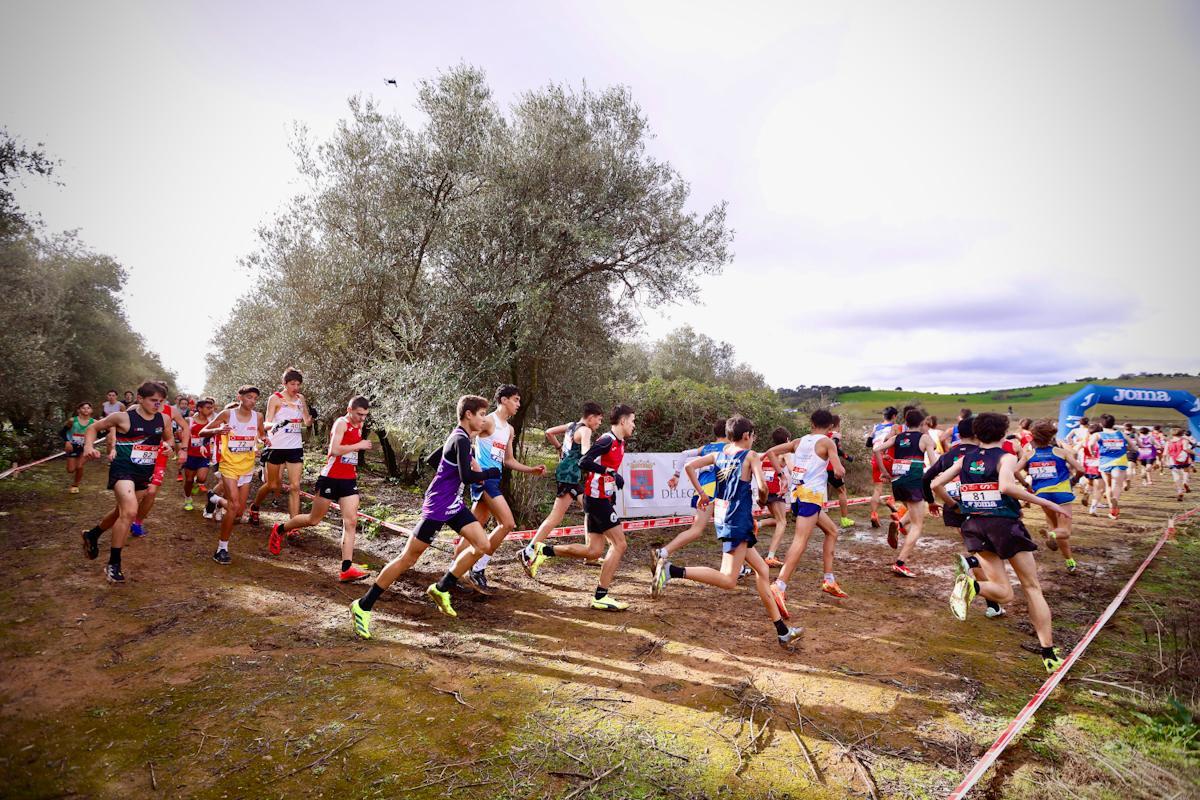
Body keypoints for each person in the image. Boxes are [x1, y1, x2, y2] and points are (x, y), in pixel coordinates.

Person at [349, 395, 502, 638]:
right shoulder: (460, 439)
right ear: (468, 414)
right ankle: (363, 605)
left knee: (482, 545)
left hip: (453, 505)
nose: (485, 419)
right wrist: (489, 472)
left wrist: (455, 469)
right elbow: (466, 477)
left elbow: (434, 459)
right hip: (438, 507)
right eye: (482, 414)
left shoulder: (462, 438)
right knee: (408, 559)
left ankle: (442, 587)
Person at [933, 412, 1070, 673]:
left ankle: (972, 585)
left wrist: (956, 506)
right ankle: (1049, 654)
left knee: (1004, 593)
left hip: (974, 526)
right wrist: (1045, 501)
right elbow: (1006, 487)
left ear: (977, 433)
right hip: (1004, 526)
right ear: (1003, 433)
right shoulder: (1005, 457)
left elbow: (937, 483)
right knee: (1032, 587)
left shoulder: (965, 459)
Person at [651, 415, 804, 646]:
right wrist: (763, 500)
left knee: (762, 570)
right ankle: (671, 570)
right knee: (728, 579)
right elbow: (763, 487)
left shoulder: (719, 454)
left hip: (725, 517)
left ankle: (782, 631)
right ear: (747, 435)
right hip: (737, 520)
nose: (753, 440)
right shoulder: (750, 455)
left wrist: (702, 494)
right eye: (753, 436)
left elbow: (689, 466)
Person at [531, 404, 637, 611]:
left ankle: (544, 550)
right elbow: (584, 461)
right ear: (623, 421)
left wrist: (611, 484)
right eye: (632, 421)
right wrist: (610, 472)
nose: (634, 425)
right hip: (596, 499)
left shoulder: (620, 442)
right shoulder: (606, 440)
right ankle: (601, 596)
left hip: (600, 497)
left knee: (593, 551)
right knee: (620, 544)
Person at [452, 385, 546, 591]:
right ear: (503, 400)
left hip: (494, 480)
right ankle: (478, 567)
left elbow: (508, 460)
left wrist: (531, 470)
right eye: (516, 399)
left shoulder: (509, 430)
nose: (519, 404)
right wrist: (473, 465)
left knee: (474, 527)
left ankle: (453, 573)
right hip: (484, 480)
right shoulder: (488, 421)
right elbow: (463, 438)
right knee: (508, 523)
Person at [270, 396, 373, 582]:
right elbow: (334, 450)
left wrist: (356, 448)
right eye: (359, 414)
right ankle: (280, 529)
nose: (362, 419)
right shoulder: (341, 423)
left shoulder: (358, 424)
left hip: (349, 479)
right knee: (313, 520)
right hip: (330, 478)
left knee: (351, 522)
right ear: (349, 410)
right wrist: (359, 445)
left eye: (365, 415)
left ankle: (346, 568)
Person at [79, 381, 174, 583]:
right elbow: (94, 427)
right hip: (122, 469)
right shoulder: (123, 417)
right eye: (153, 400)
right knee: (130, 512)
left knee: (120, 512)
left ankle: (93, 534)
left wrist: (169, 447)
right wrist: (88, 446)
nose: (157, 405)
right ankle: (114, 564)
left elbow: (170, 440)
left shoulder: (164, 419)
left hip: (144, 472)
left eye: (161, 401)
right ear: (140, 398)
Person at [760, 409, 849, 613]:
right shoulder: (827, 442)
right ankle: (779, 585)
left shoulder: (799, 441)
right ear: (830, 426)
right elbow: (838, 470)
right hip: (812, 496)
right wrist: (839, 470)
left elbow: (770, 452)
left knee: (832, 531)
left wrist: (782, 475)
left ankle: (829, 580)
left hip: (798, 495)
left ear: (811, 423)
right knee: (800, 540)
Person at [922, 416, 1005, 618]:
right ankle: (979, 579)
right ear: (977, 433)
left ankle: (992, 603)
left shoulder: (949, 455)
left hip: (956, 508)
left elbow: (926, 478)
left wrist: (931, 501)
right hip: (985, 509)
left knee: (981, 552)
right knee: (986, 554)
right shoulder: (983, 455)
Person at [520, 402, 604, 578]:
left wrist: (560, 448)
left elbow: (548, 432)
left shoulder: (571, 425)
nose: (599, 423)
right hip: (569, 476)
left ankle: (590, 554)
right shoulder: (586, 430)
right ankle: (528, 551)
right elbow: (586, 454)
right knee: (555, 517)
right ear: (591, 417)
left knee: (590, 509)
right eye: (599, 419)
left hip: (568, 474)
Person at [648, 420, 730, 572]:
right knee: (699, 530)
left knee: (726, 529)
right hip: (713, 492)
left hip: (703, 490)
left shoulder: (706, 447)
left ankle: (737, 567)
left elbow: (684, 453)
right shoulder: (727, 448)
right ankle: (662, 552)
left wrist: (676, 475)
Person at [198, 386, 265, 564]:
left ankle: (214, 498)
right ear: (240, 397)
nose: (252, 401)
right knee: (234, 506)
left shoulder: (258, 416)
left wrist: (262, 440)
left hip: (247, 466)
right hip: (228, 465)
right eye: (249, 397)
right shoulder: (228, 414)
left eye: (255, 398)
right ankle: (222, 549)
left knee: (239, 512)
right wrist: (217, 431)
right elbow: (202, 432)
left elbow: (260, 434)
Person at [873, 408, 940, 577]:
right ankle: (900, 563)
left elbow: (876, 449)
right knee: (918, 524)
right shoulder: (924, 438)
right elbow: (934, 463)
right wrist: (939, 478)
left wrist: (884, 471)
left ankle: (899, 524)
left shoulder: (898, 437)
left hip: (897, 481)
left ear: (906, 422)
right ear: (922, 423)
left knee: (918, 507)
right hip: (913, 480)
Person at [123, 382, 190, 537]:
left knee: (151, 491)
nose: (158, 400)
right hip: (135, 453)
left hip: (159, 453)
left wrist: (183, 449)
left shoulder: (171, 410)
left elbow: (185, 428)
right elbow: (119, 426)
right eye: (155, 396)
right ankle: (125, 516)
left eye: (162, 396)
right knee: (133, 491)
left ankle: (137, 522)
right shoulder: (135, 409)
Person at [1017, 419, 1083, 572]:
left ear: (1033, 437)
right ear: (1051, 436)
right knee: (1064, 531)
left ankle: (1069, 560)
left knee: (1055, 528)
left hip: (1043, 496)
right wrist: (1074, 480)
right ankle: (1053, 539)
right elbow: (1081, 469)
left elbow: (1015, 470)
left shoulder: (1029, 454)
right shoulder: (1061, 452)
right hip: (1062, 494)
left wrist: (1026, 485)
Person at [250, 368, 312, 524]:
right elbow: (266, 423)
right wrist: (277, 424)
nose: (296, 387)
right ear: (284, 383)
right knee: (272, 485)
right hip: (276, 447)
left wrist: (312, 416)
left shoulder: (300, 399)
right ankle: (255, 507)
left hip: (295, 448)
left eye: (298, 384)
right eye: (292, 384)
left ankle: (293, 526)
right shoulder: (275, 399)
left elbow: (307, 421)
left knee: (295, 487)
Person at [762, 427, 793, 567]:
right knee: (782, 522)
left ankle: (758, 524)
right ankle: (770, 556)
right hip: (776, 489)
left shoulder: (769, 452)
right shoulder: (784, 452)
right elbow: (792, 469)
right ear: (787, 440)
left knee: (779, 519)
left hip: (765, 489)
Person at [1091, 414, 1129, 519]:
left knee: (1108, 486)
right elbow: (1132, 445)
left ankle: (1112, 508)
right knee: (1117, 484)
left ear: (1101, 424)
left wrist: (1093, 453)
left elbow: (1090, 444)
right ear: (1113, 423)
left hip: (1105, 462)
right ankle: (1114, 502)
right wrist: (1129, 449)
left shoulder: (1097, 434)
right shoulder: (1121, 433)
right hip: (1119, 461)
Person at [867, 407, 900, 528]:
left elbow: (868, 443)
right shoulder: (895, 427)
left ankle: (874, 514)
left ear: (883, 416)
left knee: (877, 489)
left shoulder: (876, 427)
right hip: (888, 457)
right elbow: (900, 441)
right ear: (894, 416)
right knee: (898, 482)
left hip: (876, 458)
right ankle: (892, 501)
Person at [181, 397, 216, 510]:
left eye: (212, 408)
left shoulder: (211, 422)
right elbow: (182, 434)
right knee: (189, 480)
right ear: (200, 408)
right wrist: (183, 449)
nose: (211, 410)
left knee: (202, 478)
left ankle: (197, 483)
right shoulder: (189, 420)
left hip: (204, 455)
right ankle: (188, 499)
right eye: (208, 408)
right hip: (191, 454)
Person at [826, 415, 854, 529]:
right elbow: (836, 449)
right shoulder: (835, 435)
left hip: (820, 468)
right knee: (842, 491)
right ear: (836, 425)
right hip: (832, 468)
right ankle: (844, 519)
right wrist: (847, 457)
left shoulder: (822, 435)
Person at [62, 402, 94, 493]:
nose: (86, 410)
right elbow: (62, 432)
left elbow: (102, 433)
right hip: (73, 447)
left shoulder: (94, 422)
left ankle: (75, 485)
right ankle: (75, 476)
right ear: (78, 410)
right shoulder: (72, 420)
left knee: (79, 466)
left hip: (86, 447)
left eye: (88, 408)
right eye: (83, 408)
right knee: (71, 470)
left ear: (91, 410)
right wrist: (67, 441)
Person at [1166, 428, 1193, 500]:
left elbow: (1165, 453)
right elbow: (1186, 449)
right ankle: (1185, 482)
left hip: (1173, 460)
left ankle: (1179, 491)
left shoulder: (1168, 442)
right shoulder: (1184, 440)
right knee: (1186, 472)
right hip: (1184, 459)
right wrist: (1195, 453)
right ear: (1181, 433)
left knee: (1176, 476)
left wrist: (1165, 461)